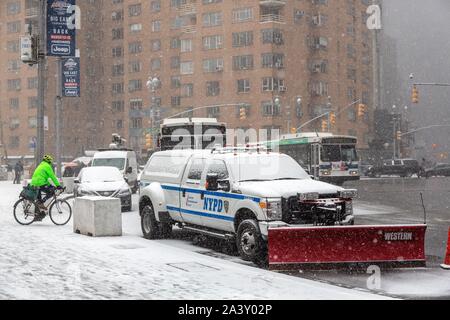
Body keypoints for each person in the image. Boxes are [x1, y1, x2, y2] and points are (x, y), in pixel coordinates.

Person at [30, 155, 63, 220]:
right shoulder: (47, 166)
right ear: (49, 161)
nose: (51, 163)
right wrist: (58, 185)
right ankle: (41, 203)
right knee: (51, 191)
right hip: (40, 182)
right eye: (51, 162)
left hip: (34, 183)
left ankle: (38, 216)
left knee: (39, 200)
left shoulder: (41, 165)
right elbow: (52, 176)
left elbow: (44, 177)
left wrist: (50, 185)